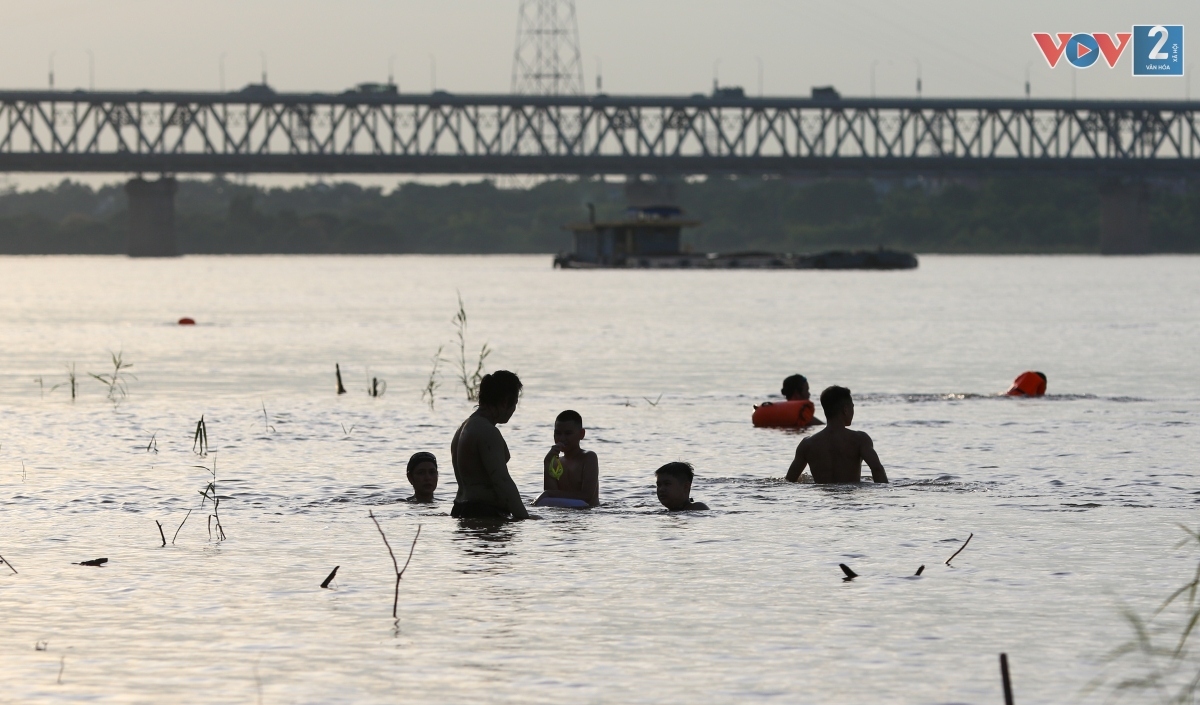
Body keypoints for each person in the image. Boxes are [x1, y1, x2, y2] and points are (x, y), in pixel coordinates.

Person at [449, 370, 534, 519]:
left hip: (461, 509)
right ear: (505, 402)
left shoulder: (464, 428)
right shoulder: (487, 431)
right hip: (482, 512)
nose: (514, 410)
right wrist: (524, 518)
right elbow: (502, 481)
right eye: (514, 404)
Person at [786, 385, 888, 484]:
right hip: (850, 499)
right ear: (845, 409)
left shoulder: (807, 444)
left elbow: (789, 481)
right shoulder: (859, 439)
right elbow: (877, 469)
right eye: (852, 407)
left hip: (822, 500)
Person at [535, 410, 600, 507]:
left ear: (581, 434)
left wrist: (548, 493)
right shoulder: (556, 463)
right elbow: (550, 501)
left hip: (586, 516)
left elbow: (587, 496)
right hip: (564, 514)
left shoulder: (588, 457)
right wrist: (547, 462)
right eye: (558, 433)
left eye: (568, 433)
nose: (562, 438)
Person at [752, 374, 823, 428]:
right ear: (796, 393)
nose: (809, 394)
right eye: (806, 390)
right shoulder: (803, 416)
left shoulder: (773, 413)